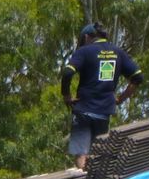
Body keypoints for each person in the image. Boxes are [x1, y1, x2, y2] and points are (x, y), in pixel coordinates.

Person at [60, 22, 141, 170]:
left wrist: (66, 95)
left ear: (86, 37)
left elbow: (67, 72)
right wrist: (120, 99)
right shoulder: (118, 53)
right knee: (98, 154)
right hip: (104, 112)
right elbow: (138, 77)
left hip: (83, 110)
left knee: (81, 153)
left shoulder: (84, 51)